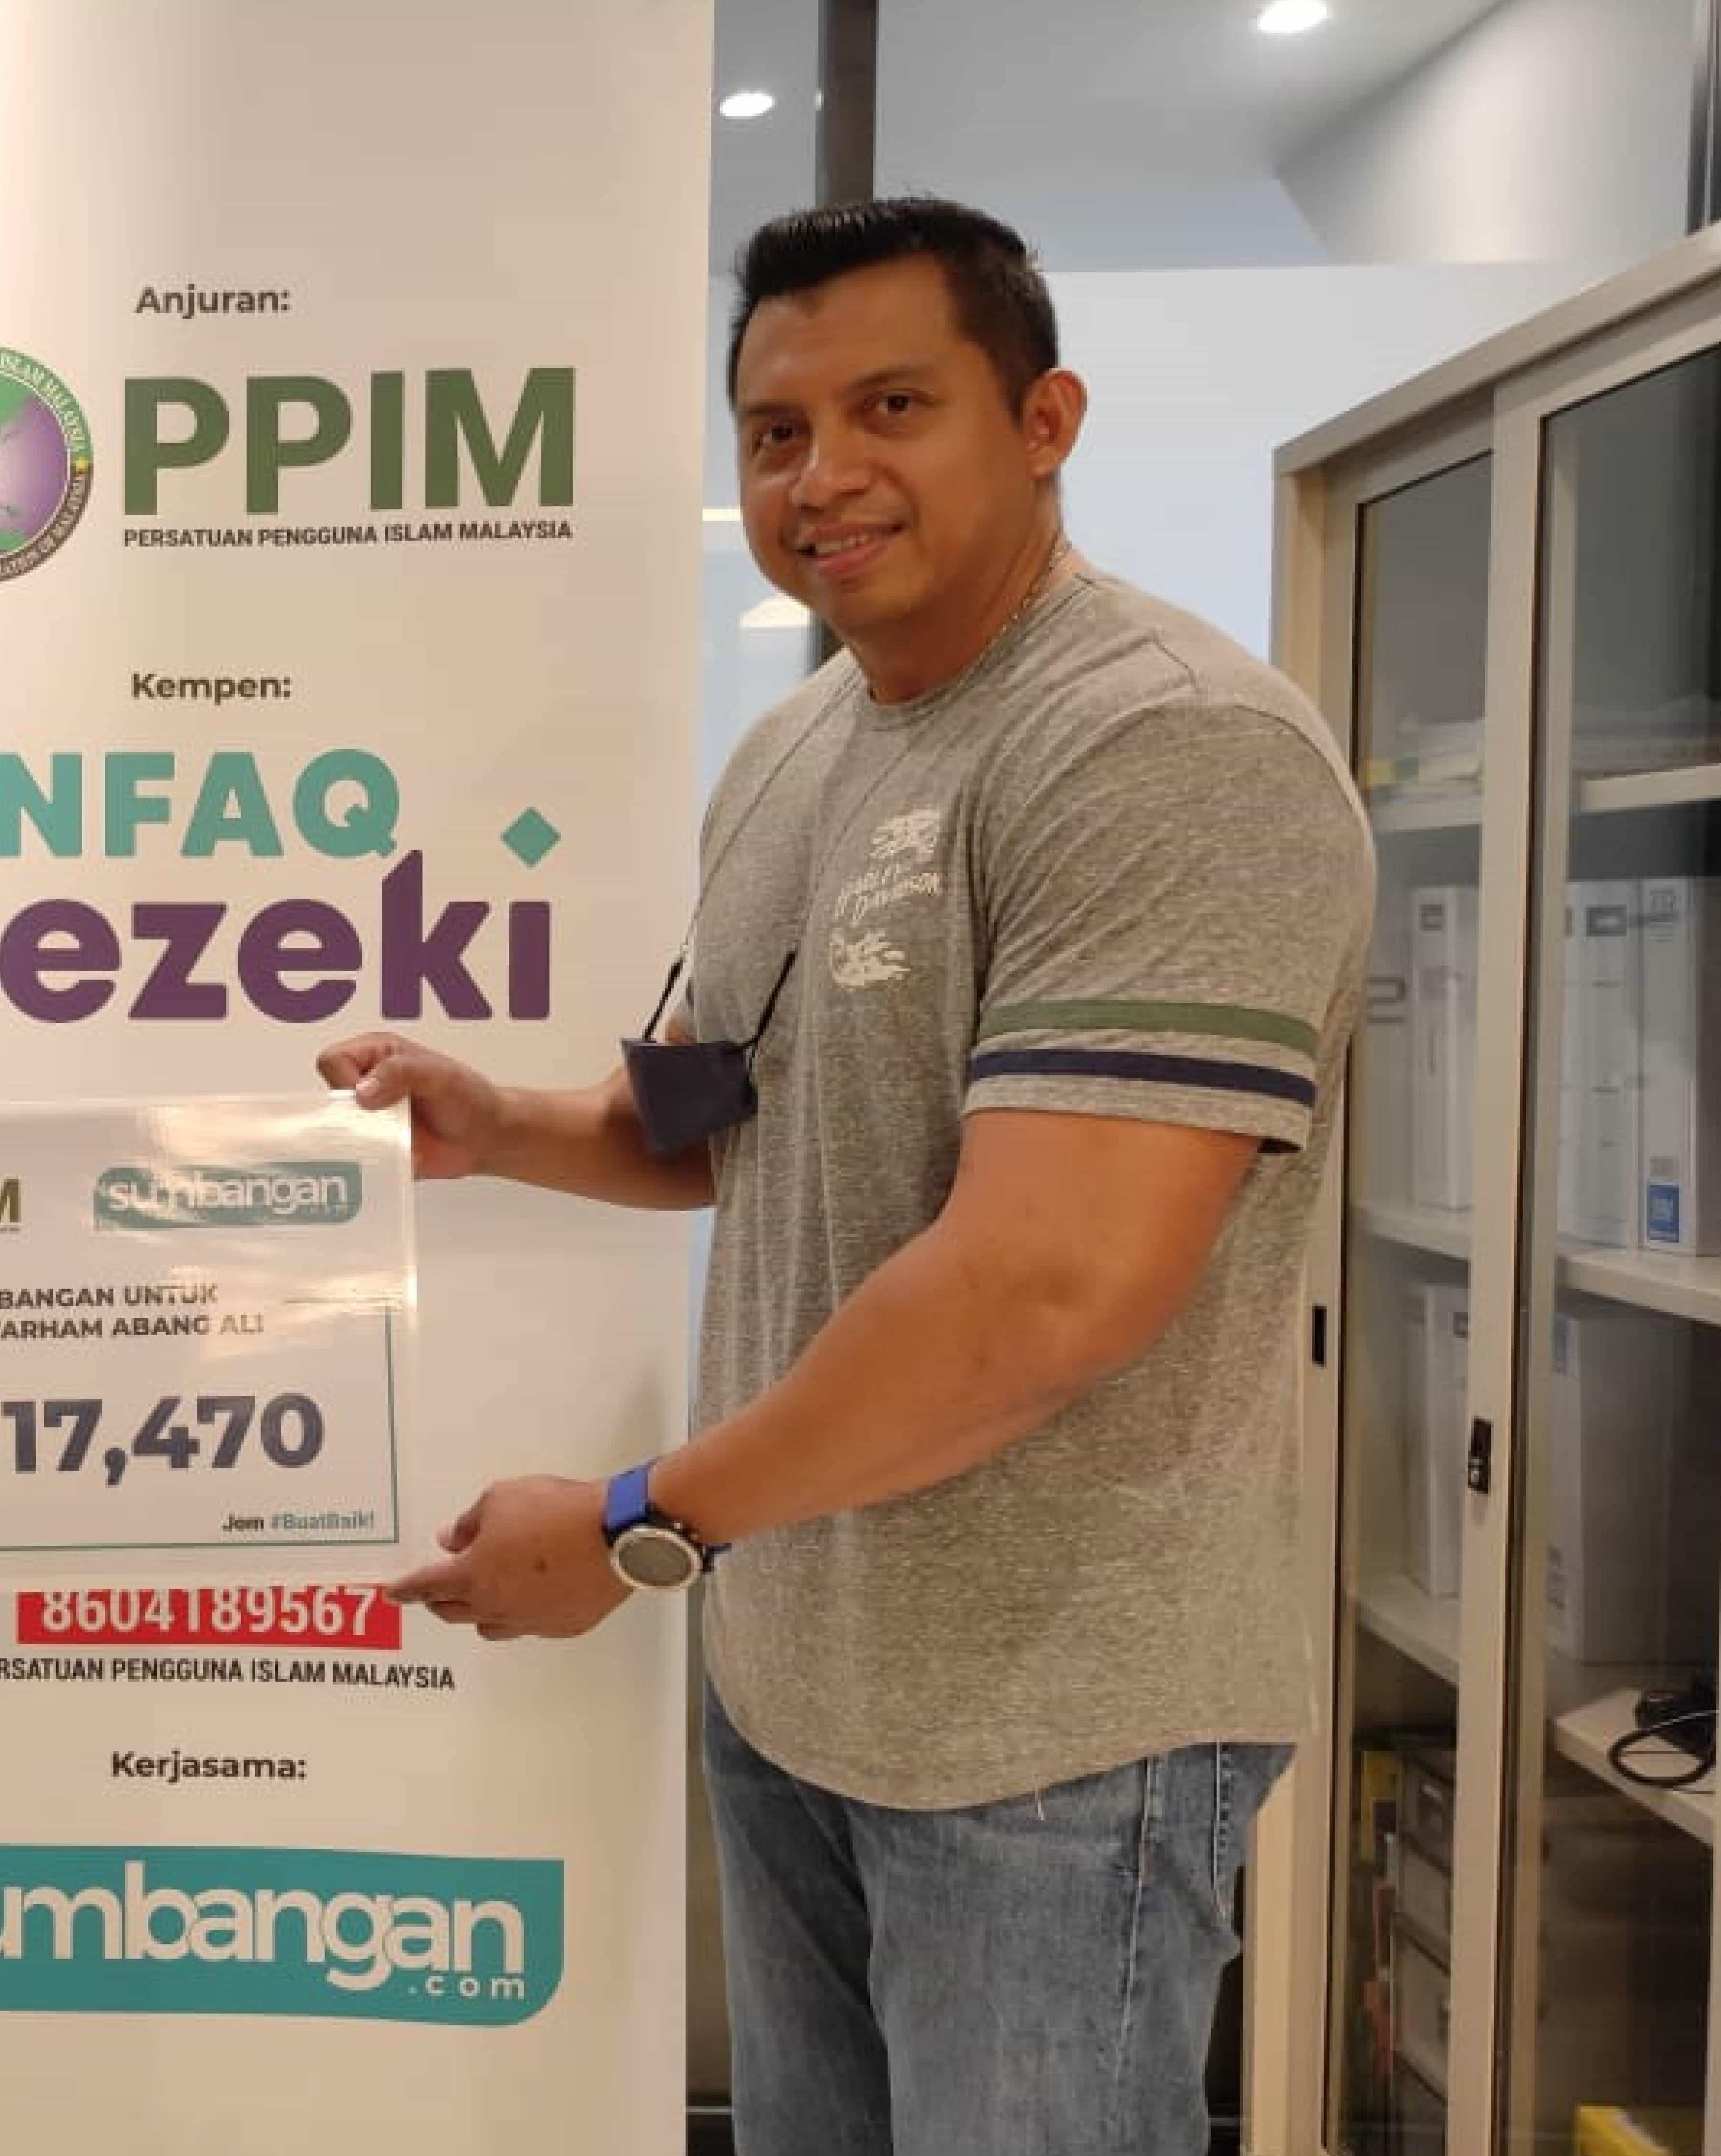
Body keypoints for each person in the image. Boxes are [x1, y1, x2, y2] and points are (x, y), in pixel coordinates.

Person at [321, 200, 1372, 2156]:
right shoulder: (797, 750)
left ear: (1041, 420)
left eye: (892, 406)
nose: (822, 477)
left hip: (1052, 1739)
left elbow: (1041, 1293)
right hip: (793, 1678)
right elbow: (721, 1113)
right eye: (775, 431)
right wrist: (502, 1123)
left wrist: (634, 1525)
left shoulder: (1164, 748)